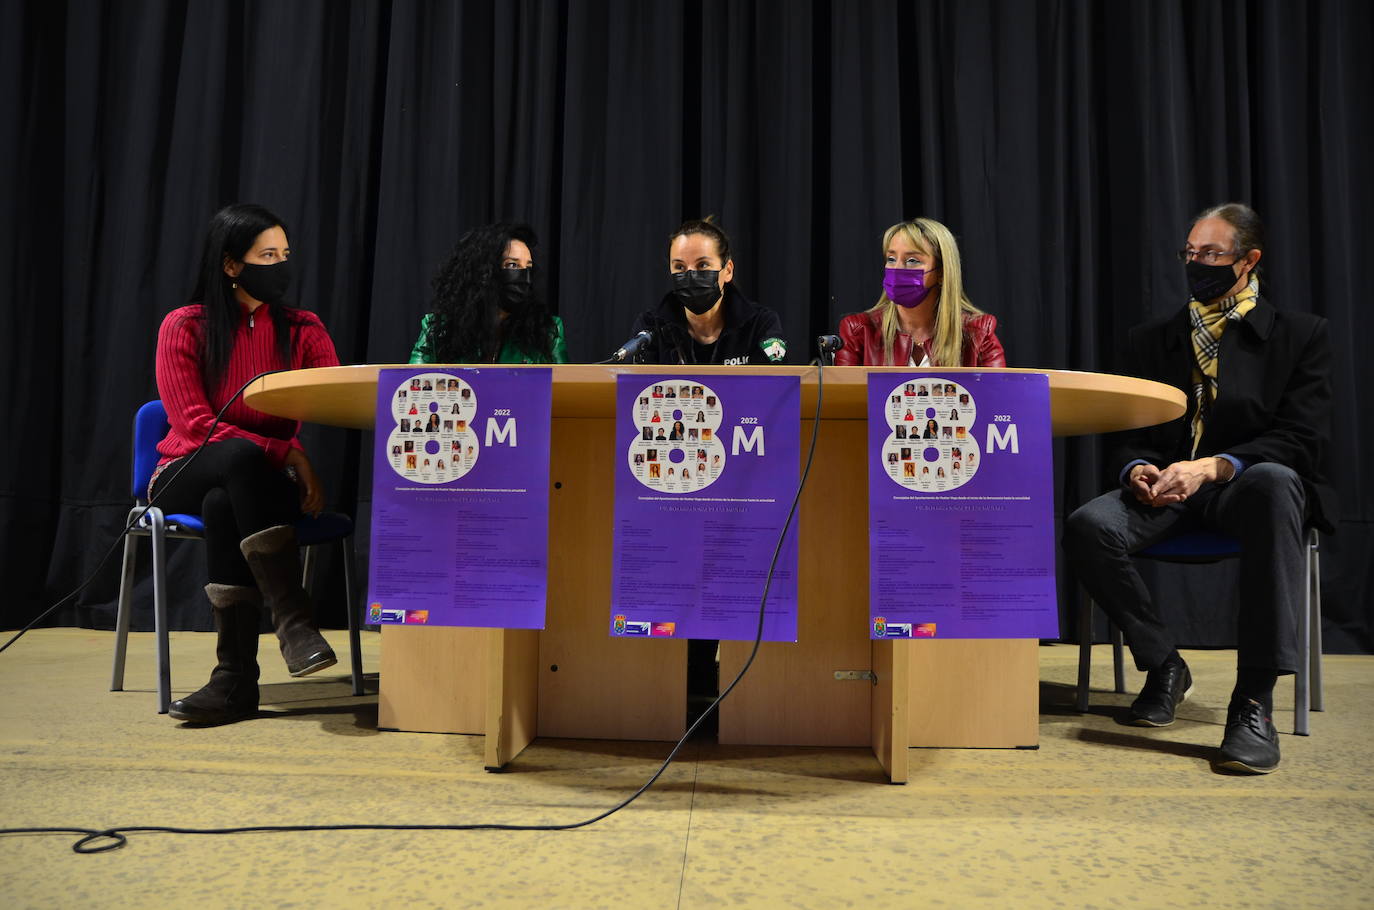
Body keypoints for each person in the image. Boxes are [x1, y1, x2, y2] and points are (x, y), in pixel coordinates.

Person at [1064, 203, 1333, 775]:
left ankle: (1253, 701)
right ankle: (1163, 664)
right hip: (1166, 495)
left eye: (1211, 254)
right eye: (1191, 253)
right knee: (1089, 523)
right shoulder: (1152, 340)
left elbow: (1302, 440)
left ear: (1248, 260)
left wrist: (1213, 467)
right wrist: (1136, 468)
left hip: (1246, 492)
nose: (1197, 264)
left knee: (1277, 482)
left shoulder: (1302, 336)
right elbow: (1127, 433)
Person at [152, 203, 341, 725]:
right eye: (267, 255)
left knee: (225, 504)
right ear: (232, 265)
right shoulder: (185, 326)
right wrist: (289, 451)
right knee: (232, 459)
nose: (281, 265)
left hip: (253, 488)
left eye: (286, 254)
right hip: (183, 472)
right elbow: (194, 424)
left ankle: (234, 682)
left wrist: (284, 454)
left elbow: (333, 394)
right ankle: (294, 621)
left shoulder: (303, 328)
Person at [835, 218, 1006, 367]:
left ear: (941, 272)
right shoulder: (859, 331)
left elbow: (998, 398)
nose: (897, 269)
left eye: (912, 261)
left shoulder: (978, 333)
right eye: (891, 259)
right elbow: (845, 401)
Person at [629, 217, 789, 365]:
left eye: (703, 265)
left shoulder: (760, 325)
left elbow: (775, 388)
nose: (690, 275)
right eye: (679, 267)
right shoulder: (650, 327)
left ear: (728, 270)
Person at [409, 223, 569, 365]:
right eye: (512, 264)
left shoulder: (547, 331)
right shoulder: (439, 330)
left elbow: (566, 392)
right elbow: (410, 387)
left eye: (528, 266)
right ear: (484, 272)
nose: (524, 277)